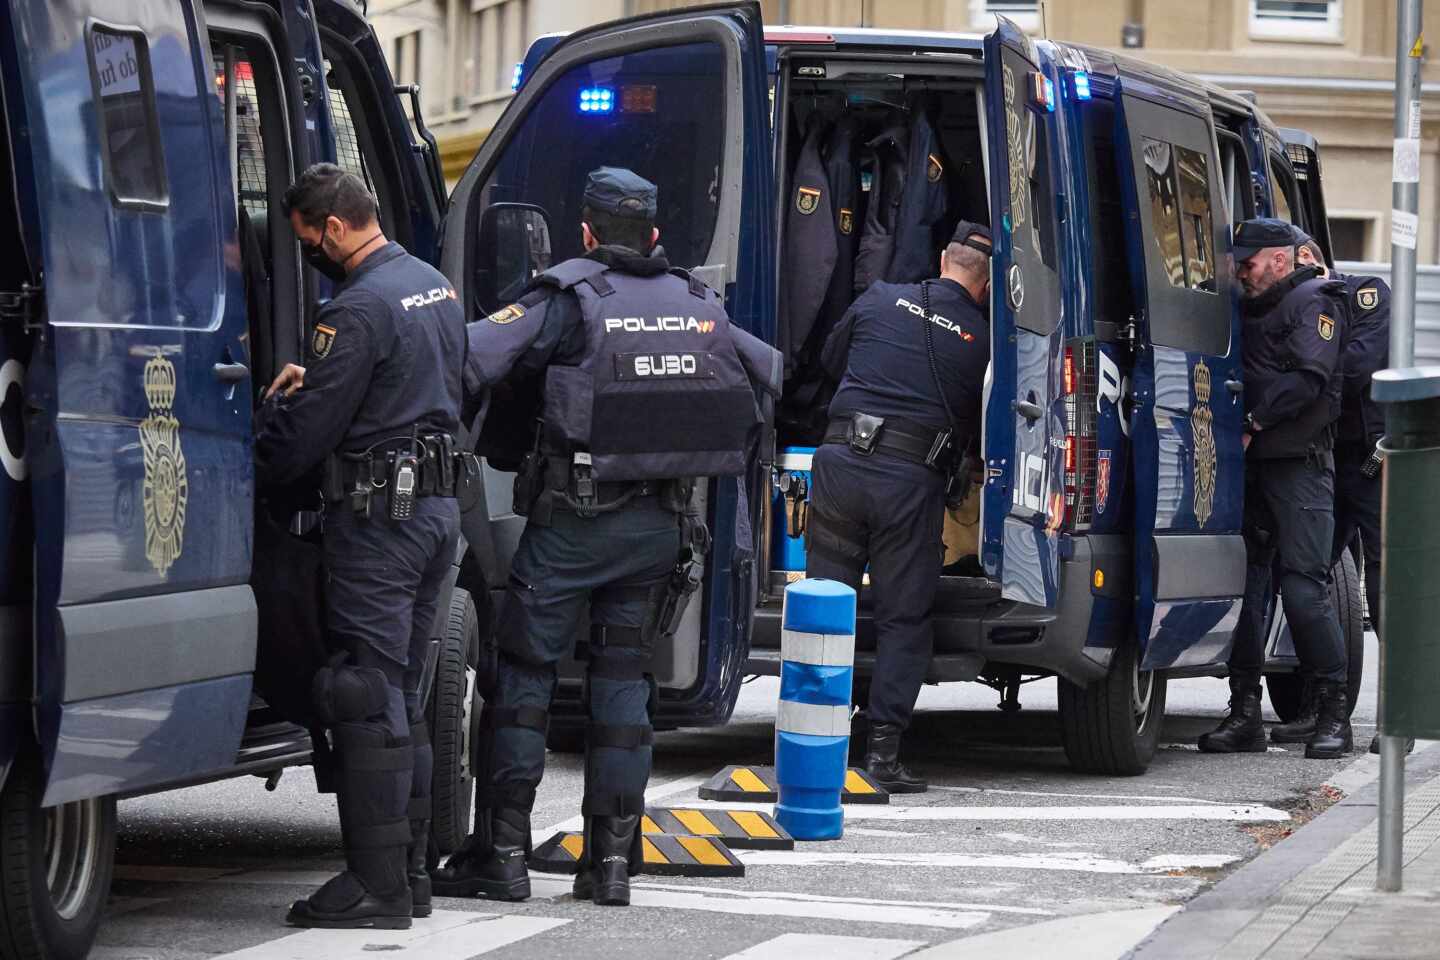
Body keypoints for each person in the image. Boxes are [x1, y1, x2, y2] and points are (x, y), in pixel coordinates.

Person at [432, 167, 779, 908]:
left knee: (523, 683)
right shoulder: (697, 303)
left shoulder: (570, 299)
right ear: (653, 235)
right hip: (659, 531)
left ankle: (501, 856)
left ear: (586, 233)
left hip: (570, 529)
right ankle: (611, 866)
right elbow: (764, 382)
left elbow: (467, 358)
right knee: (626, 688)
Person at [254, 163, 466, 928]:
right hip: (435, 512)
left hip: (379, 524)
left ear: (334, 228)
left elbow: (305, 439)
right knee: (402, 696)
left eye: (308, 236)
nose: (307, 247)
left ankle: (376, 889)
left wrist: (272, 425)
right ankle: (409, 876)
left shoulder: (357, 310)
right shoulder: (431, 285)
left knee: (365, 695)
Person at [804, 220, 993, 793]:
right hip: (907, 481)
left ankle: (816, 742)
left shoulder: (880, 297)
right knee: (903, 618)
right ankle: (882, 754)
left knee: (825, 611)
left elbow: (829, 362)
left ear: (942, 258)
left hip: (839, 464)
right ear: (985, 284)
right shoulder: (983, 340)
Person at [1199, 217, 1351, 760]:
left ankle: (1333, 714)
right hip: (1257, 465)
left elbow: (1309, 379)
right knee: (1248, 589)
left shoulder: (1315, 301)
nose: (1241, 270)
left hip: (1300, 465)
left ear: (1281, 259)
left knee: (1304, 589)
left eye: (1251, 261)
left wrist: (1253, 421)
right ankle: (1244, 712)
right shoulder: (1250, 306)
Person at [1287, 230, 1398, 754]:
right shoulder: (1295, 310)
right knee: (1309, 580)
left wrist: (1304, 363)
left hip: (1371, 459)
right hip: (1325, 455)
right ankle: (1317, 705)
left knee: (1382, 583)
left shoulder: (1365, 294)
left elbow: (1356, 365)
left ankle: (1394, 718)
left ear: (1308, 258)